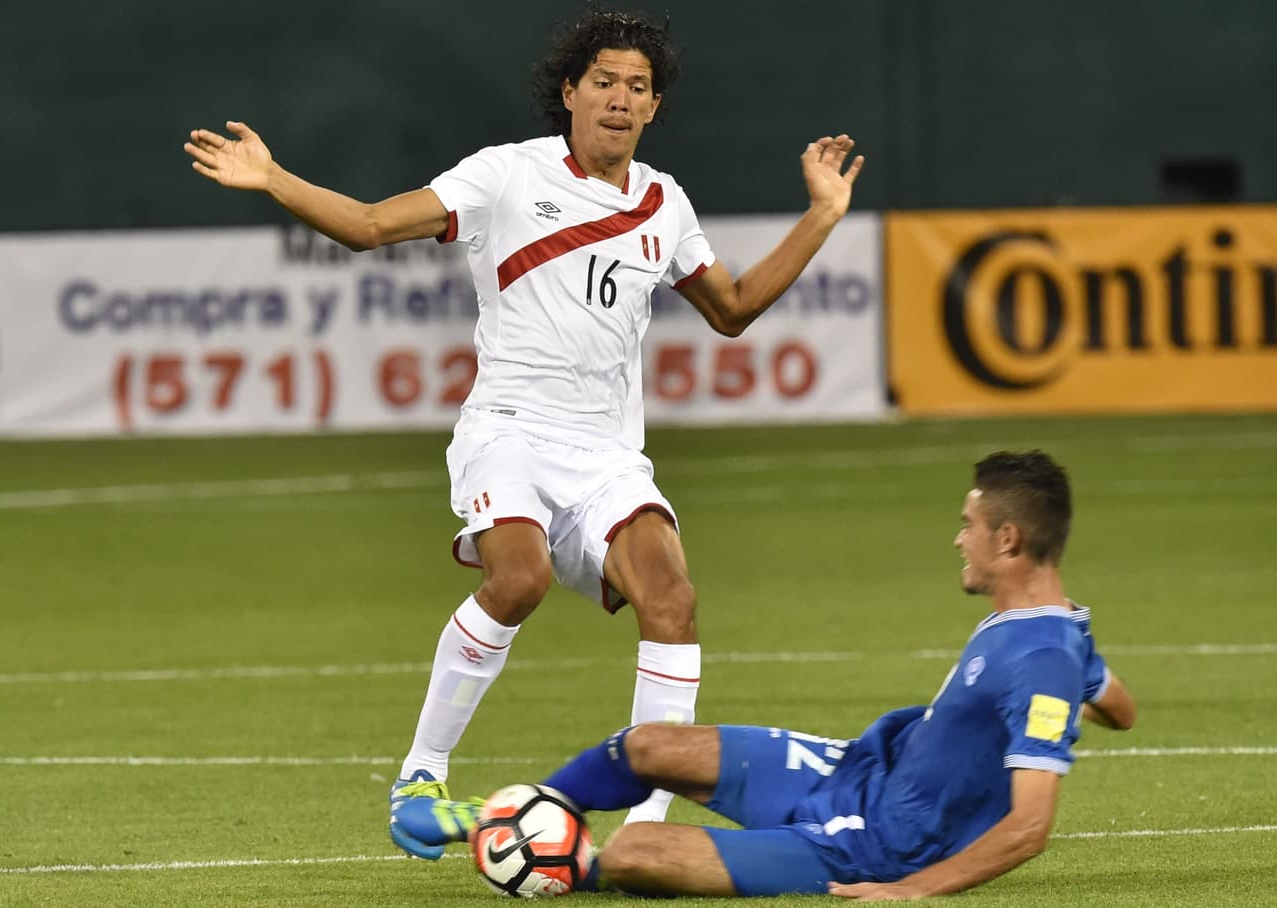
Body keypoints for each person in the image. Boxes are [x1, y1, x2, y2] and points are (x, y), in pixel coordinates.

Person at [183, 9, 866, 858]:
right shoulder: (506, 176)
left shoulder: (663, 202)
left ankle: (649, 822)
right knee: (520, 578)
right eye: (606, 82)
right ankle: (420, 776)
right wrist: (276, 178)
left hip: (609, 456)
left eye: (639, 88)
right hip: (508, 431)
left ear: (654, 108)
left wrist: (823, 213)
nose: (620, 99)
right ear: (570, 91)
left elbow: (730, 309)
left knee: (674, 601)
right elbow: (366, 226)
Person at [396, 450, 1138, 898]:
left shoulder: (1042, 657)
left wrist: (915, 889)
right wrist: (1088, 679)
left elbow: (1032, 826)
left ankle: (559, 863)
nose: (958, 539)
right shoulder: (1057, 635)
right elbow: (1121, 709)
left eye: (970, 527)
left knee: (635, 854)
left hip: (884, 842)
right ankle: (539, 810)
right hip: (861, 770)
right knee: (650, 745)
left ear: (1008, 540)